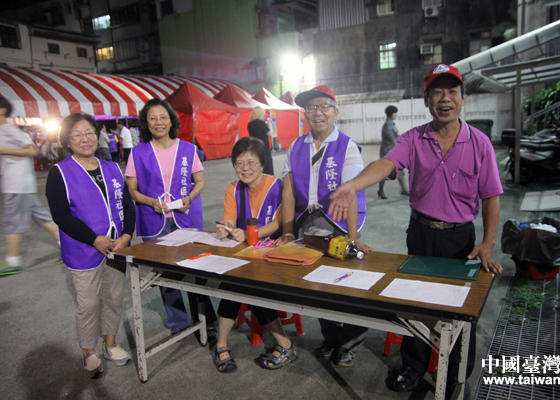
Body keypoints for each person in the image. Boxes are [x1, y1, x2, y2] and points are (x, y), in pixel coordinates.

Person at [327, 64, 503, 398]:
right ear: (426, 100)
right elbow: (386, 164)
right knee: (414, 301)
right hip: (420, 233)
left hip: (459, 239)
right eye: (437, 92)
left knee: (459, 308)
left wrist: (488, 243)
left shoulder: (479, 143)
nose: (445, 99)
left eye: (452, 92)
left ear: (463, 99)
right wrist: (352, 185)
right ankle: (414, 364)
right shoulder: (413, 138)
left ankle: (457, 372)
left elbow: (491, 197)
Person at [273, 85, 373, 367]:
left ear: (335, 112)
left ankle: (349, 343)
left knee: (349, 287)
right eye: (312, 107)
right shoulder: (296, 146)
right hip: (309, 225)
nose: (318, 113)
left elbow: (350, 194)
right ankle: (330, 337)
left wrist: (352, 240)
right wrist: (289, 230)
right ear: (305, 114)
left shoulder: (347, 146)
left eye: (324, 106)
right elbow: (289, 192)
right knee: (317, 286)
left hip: (341, 224)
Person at [45, 113, 134, 377]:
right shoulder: (59, 172)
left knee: (114, 299)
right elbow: (60, 215)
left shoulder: (111, 167)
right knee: (88, 304)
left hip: (117, 246)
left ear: (98, 137)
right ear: (68, 141)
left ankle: (110, 344)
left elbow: (127, 206)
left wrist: (127, 235)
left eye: (90, 133)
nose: (85, 139)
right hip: (84, 250)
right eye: (77, 135)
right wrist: (94, 239)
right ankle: (88, 352)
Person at [125, 98, 217, 338]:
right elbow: (132, 190)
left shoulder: (187, 148)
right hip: (153, 220)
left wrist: (189, 197)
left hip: (185, 218)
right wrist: (150, 201)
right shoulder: (138, 152)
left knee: (198, 268)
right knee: (166, 275)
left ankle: (206, 319)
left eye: (163, 117)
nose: (159, 122)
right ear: (146, 123)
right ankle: (179, 322)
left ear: (171, 120)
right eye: (152, 118)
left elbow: (200, 182)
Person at [212, 137, 296, 372]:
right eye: (239, 163)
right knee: (237, 282)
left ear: (262, 163)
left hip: (274, 254)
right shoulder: (233, 188)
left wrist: (253, 233)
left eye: (251, 162)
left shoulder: (278, 186)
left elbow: (281, 221)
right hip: (247, 255)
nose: (245, 168)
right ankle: (284, 344)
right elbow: (229, 216)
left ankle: (222, 346)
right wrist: (225, 227)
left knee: (241, 284)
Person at [0, 97, 60, 276]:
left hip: (17, 184)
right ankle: (65, 245)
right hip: (18, 184)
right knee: (41, 217)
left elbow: (32, 150)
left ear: (2, 110)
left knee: (12, 222)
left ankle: (13, 260)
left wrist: (4, 150)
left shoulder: (8, 129)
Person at [378, 105, 409, 199]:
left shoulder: (391, 124)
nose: (396, 115)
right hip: (387, 152)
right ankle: (381, 191)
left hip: (392, 151)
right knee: (385, 171)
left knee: (399, 169)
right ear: (391, 114)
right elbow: (394, 140)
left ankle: (403, 189)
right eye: (395, 113)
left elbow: (396, 135)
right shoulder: (388, 126)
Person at [247, 106, 274, 176]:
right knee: (267, 166)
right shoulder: (261, 123)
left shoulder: (250, 124)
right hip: (263, 148)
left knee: (257, 165)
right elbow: (270, 133)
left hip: (254, 147)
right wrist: (269, 124)